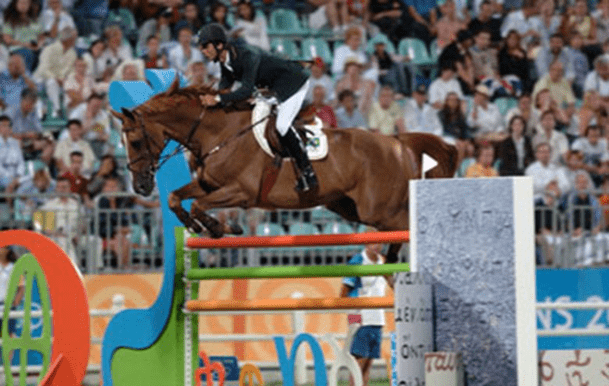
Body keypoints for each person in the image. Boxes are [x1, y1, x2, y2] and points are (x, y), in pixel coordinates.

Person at [198, 23, 318, 192]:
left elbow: (245, 90)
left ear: (219, 45)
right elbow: (223, 91)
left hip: (292, 84)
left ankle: (307, 170)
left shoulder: (246, 55)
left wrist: (217, 98)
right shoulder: (225, 64)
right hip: (271, 90)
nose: (203, 51)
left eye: (205, 46)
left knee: (282, 125)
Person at [340, 242, 394, 386]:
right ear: (366, 243)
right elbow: (343, 293)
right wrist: (353, 319)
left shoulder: (382, 261)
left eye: (379, 242)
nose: (377, 246)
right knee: (358, 363)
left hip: (377, 317)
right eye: (373, 242)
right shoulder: (357, 261)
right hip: (360, 316)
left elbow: (392, 284)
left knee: (368, 363)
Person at [33, 26, 78, 118]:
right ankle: (57, 110)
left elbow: (73, 71)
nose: (76, 40)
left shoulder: (72, 53)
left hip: (61, 80)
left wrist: (66, 79)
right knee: (52, 82)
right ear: (67, 39)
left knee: (73, 84)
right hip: (43, 79)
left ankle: (69, 112)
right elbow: (43, 69)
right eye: (74, 38)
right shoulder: (49, 49)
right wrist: (56, 78)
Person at [39, 176, 81, 263]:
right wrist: (58, 233)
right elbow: (47, 229)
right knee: (63, 241)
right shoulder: (50, 205)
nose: (61, 190)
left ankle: (96, 272)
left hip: (75, 235)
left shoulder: (76, 205)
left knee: (95, 240)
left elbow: (83, 224)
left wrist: (78, 234)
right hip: (56, 235)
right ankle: (71, 271)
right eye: (59, 187)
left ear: (69, 189)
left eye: (64, 187)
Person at [0, 115, 28, 194]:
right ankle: (11, 205)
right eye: (4, 126)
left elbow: (21, 162)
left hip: (16, 174)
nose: (7, 128)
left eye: (8, 126)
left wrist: (19, 175)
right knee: (11, 184)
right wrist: (11, 177)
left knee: (30, 182)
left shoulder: (14, 142)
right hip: (2, 175)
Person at [0, 246, 23, 339]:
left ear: (8, 251)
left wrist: (16, 300)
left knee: (9, 335)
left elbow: (21, 287)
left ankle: (10, 354)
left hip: (8, 305)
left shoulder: (14, 267)